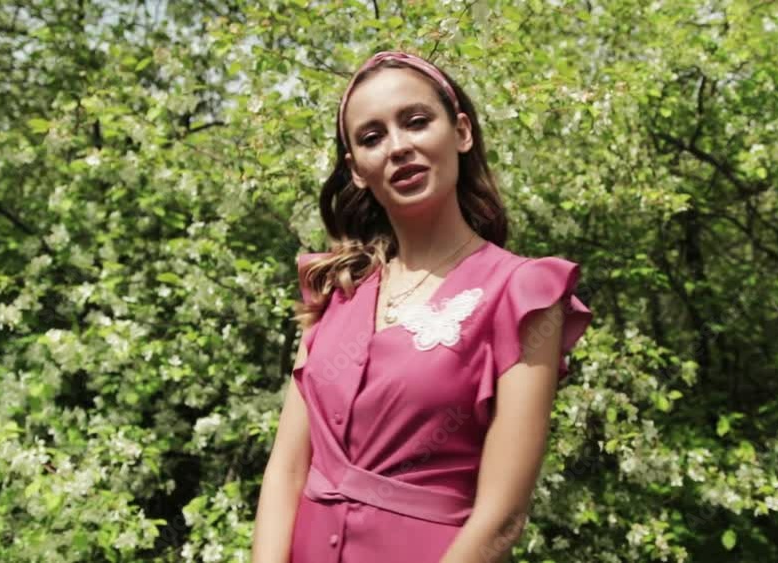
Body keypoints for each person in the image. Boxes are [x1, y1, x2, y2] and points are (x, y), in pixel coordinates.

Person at [251, 50, 593, 563]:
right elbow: (286, 471)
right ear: (357, 170)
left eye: (415, 122)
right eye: (372, 137)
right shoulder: (334, 290)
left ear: (460, 132)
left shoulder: (523, 295)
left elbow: (501, 519)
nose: (398, 147)